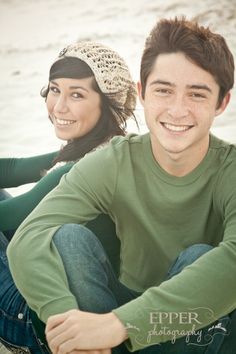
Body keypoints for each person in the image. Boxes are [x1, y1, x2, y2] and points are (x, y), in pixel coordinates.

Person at [7, 16, 236, 354]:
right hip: (108, 318)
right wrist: (66, 320)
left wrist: (121, 325)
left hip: (192, 322)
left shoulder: (229, 170)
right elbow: (29, 235)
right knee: (68, 239)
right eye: (163, 90)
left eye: (197, 95)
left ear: (222, 103)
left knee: (199, 257)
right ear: (142, 93)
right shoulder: (113, 161)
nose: (177, 110)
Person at [0, 40, 136, 353]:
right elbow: (14, 168)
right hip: (81, 305)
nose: (58, 106)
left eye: (76, 94)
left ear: (106, 102)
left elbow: (6, 218)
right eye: (54, 89)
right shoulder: (108, 145)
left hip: (48, 326)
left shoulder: (79, 170)